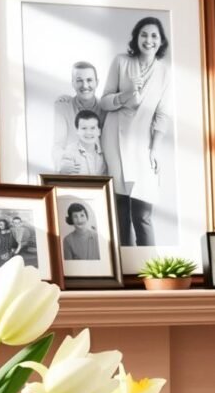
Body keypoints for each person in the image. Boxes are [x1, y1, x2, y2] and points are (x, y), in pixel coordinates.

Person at [100, 17, 172, 246]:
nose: (149, 40)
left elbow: (162, 115)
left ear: (161, 41)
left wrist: (154, 150)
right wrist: (128, 93)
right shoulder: (121, 62)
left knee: (143, 214)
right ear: (136, 37)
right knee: (120, 211)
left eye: (154, 35)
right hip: (114, 139)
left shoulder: (164, 72)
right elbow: (104, 102)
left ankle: (148, 263)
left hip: (143, 144)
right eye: (144, 34)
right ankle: (125, 262)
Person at [52, 61, 103, 168]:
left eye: (89, 80)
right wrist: (62, 164)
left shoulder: (105, 109)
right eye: (79, 80)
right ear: (73, 83)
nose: (85, 85)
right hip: (75, 168)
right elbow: (58, 144)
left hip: (100, 169)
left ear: (97, 82)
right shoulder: (63, 107)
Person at [58, 109, 107, 176]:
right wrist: (63, 170)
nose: (88, 132)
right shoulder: (70, 151)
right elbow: (63, 170)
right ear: (77, 131)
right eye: (84, 128)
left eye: (92, 128)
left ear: (99, 131)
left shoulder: (104, 152)